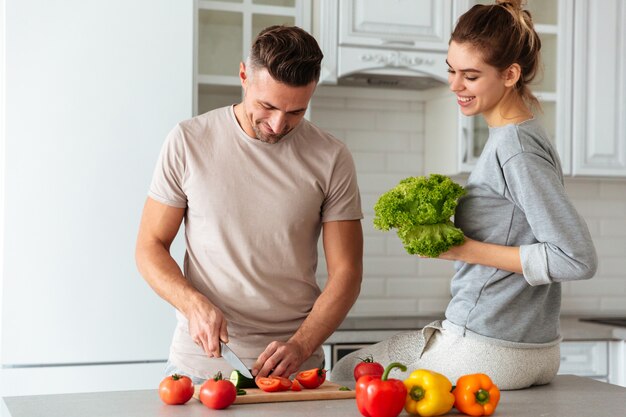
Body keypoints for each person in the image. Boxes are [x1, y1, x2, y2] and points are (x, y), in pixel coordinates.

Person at [330, 0, 597, 390]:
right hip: (527, 346)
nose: (455, 85)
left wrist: (460, 249)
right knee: (358, 367)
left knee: (346, 375)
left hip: (492, 346)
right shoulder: (523, 135)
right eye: (451, 70)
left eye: (470, 76)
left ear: (510, 74)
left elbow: (576, 258)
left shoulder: (516, 149)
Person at [135, 25, 363, 384]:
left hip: (294, 368)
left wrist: (301, 346)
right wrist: (193, 305)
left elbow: (347, 273)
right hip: (200, 368)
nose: (277, 124)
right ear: (244, 75)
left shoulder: (331, 157)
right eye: (267, 106)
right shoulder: (189, 141)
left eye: (296, 112)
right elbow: (149, 246)